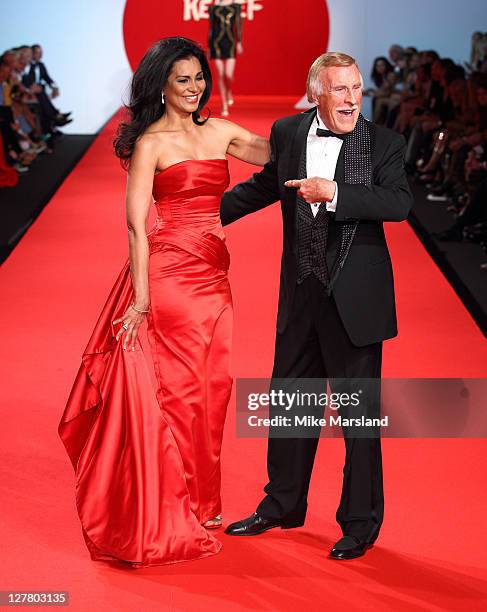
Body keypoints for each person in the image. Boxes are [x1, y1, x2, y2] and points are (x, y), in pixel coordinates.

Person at [58, 36, 269, 567]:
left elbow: (272, 152)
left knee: (214, 388)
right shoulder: (150, 143)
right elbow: (135, 226)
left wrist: (320, 126)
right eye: (184, 80)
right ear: (162, 86)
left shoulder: (220, 130)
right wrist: (142, 299)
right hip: (172, 275)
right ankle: (176, 502)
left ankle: (203, 500)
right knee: (180, 392)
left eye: (200, 78)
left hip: (215, 278)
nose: (196, 88)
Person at [221, 52, 413, 560]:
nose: (352, 99)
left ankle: (359, 524)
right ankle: (281, 503)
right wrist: (204, 214)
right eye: (341, 90)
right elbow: (266, 186)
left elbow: (397, 203)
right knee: (289, 406)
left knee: (358, 420)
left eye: (357, 88)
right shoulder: (287, 132)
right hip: (302, 290)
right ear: (315, 94)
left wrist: (335, 193)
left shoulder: (386, 143)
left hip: (355, 301)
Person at [208, 0, 243, 117]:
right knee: (221, 74)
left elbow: (238, 25)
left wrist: (239, 42)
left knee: (228, 74)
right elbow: (211, 29)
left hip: (231, 43)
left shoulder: (236, 7)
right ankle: (224, 105)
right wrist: (209, 47)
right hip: (216, 44)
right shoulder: (213, 9)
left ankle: (228, 91)